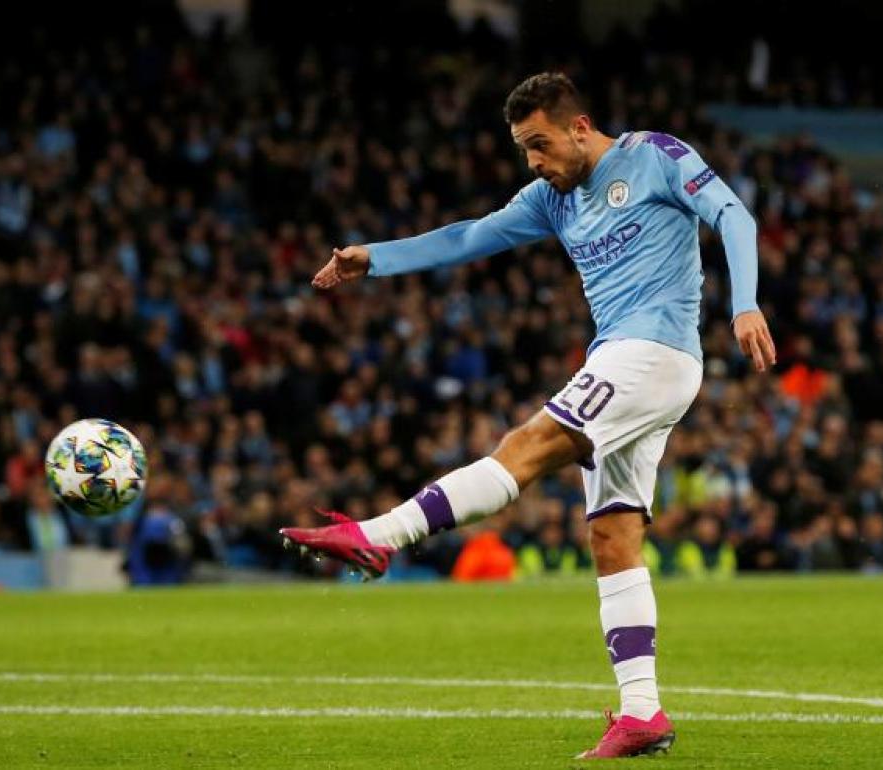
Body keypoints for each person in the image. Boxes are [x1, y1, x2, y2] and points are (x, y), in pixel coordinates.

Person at [280, 72, 775, 758]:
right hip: (625, 358)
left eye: (540, 144)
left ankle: (382, 535)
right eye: (523, 150)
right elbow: (468, 237)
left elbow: (734, 217)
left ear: (579, 127)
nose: (534, 162)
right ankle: (643, 713)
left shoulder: (656, 155)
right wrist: (378, 257)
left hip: (654, 350)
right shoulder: (552, 199)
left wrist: (743, 302)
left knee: (532, 440)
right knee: (612, 535)